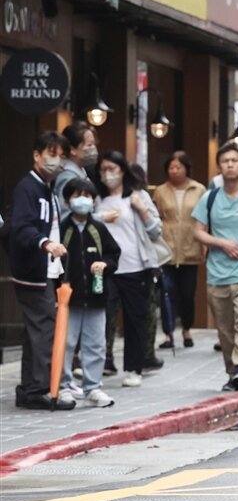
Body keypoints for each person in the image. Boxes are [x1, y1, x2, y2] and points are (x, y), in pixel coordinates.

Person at [12, 132, 75, 410]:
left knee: (35, 329)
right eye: (51, 154)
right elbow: (22, 227)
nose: (57, 161)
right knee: (43, 329)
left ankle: (29, 388)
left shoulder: (45, 189)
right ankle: (39, 390)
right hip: (34, 272)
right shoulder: (28, 188)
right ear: (36, 155)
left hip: (43, 270)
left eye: (62, 156)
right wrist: (46, 243)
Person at [192, 142, 238, 392]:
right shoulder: (209, 198)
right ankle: (233, 372)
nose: (230, 165)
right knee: (225, 328)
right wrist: (221, 243)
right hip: (217, 273)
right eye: (225, 161)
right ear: (219, 167)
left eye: (234, 161)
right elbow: (197, 232)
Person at [97, 151, 164, 388]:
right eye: (103, 169)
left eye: (112, 169)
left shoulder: (137, 196)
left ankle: (134, 367)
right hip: (105, 268)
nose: (107, 174)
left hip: (135, 266)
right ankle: (101, 363)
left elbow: (157, 230)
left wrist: (142, 209)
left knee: (136, 318)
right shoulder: (97, 199)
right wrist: (99, 216)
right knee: (102, 316)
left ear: (122, 171)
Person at [57, 178, 119, 407]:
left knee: (95, 343)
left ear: (94, 200)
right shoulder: (62, 229)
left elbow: (114, 255)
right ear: (67, 200)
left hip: (96, 296)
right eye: (76, 195)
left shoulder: (98, 229)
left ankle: (93, 387)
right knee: (67, 342)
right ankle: (64, 386)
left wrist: (104, 265)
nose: (82, 200)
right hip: (68, 299)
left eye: (87, 195)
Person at [152, 152, 204, 350]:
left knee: (187, 293)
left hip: (191, 249)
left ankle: (187, 329)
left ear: (186, 168)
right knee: (166, 293)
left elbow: (204, 219)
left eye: (178, 167)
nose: (175, 171)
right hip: (167, 250)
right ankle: (168, 333)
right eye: (171, 167)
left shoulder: (199, 189)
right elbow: (156, 217)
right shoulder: (160, 191)